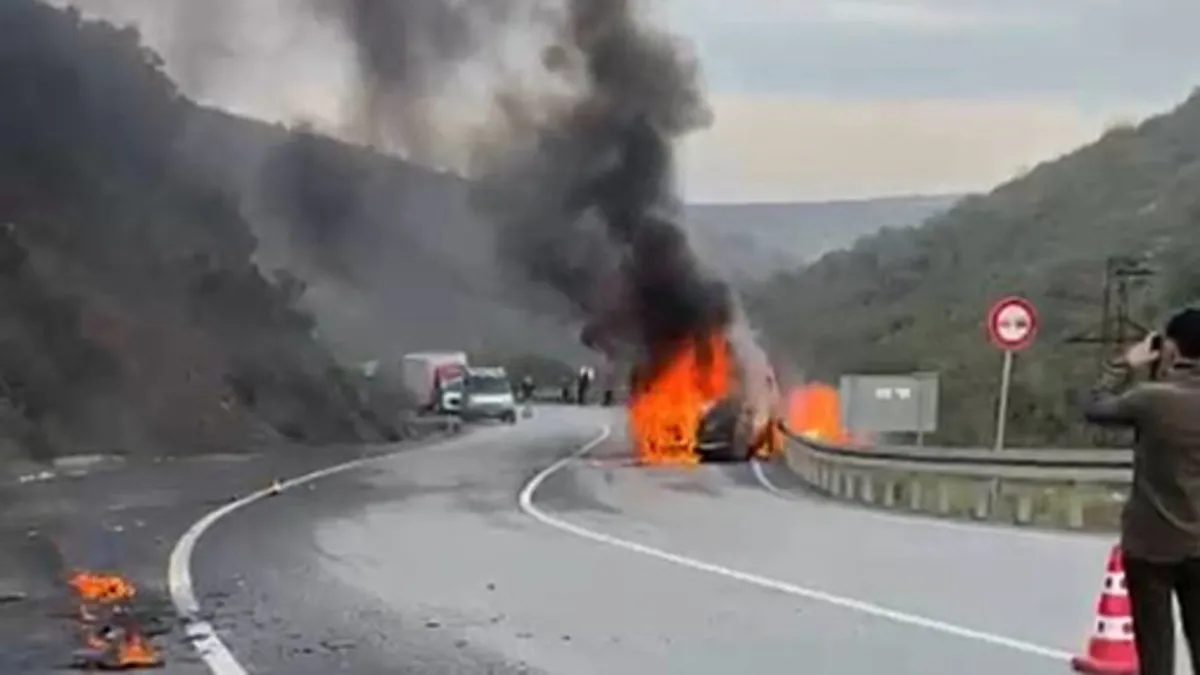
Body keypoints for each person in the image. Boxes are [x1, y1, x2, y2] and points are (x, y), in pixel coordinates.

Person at [1083, 307, 1200, 675]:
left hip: (1150, 545)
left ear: (1171, 349)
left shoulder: (1150, 400)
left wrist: (1123, 365)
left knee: (1156, 652)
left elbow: (1093, 406)